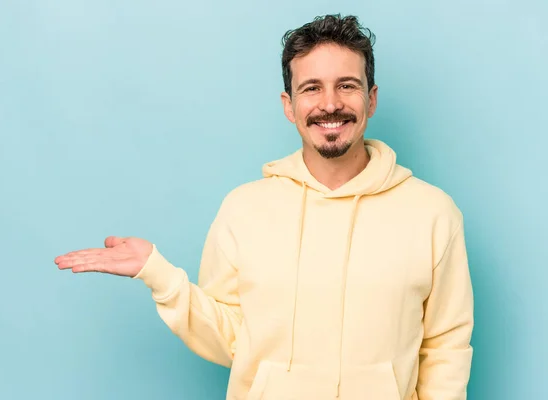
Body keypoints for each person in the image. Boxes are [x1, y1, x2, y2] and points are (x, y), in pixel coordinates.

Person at [55, 14, 474, 400]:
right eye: (311, 88)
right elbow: (231, 336)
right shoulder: (244, 209)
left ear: (372, 98)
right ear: (289, 105)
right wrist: (159, 274)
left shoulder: (432, 213)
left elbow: (446, 346)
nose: (330, 104)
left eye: (347, 85)